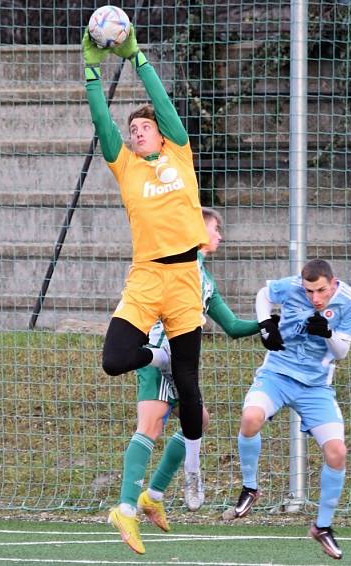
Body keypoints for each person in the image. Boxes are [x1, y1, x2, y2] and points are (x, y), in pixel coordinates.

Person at [81, 21, 211, 552]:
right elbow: (100, 120)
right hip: (146, 277)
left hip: (185, 279)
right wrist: (91, 69)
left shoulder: (179, 153)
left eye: (143, 128)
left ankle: (165, 489)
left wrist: (136, 58)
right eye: (132, 129)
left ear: (160, 133)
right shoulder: (125, 167)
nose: (136, 132)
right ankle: (154, 359)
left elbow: (162, 102)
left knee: (193, 397)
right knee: (114, 359)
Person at [109, 207, 260, 554]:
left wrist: (265, 324)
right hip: (157, 355)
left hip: (181, 364)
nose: (220, 234)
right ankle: (126, 508)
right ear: (196, 230)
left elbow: (233, 327)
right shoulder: (176, 263)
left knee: (199, 421)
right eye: (215, 228)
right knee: (149, 426)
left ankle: (153, 496)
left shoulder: (206, 281)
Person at [225, 259, 351, 560]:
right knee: (250, 418)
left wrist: (327, 333)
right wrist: (265, 325)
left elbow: (343, 351)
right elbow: (264, 295)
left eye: (322, 291)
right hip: (277, 375)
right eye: (310, 290)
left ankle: (322, 526)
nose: (316, 297)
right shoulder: (289, 287)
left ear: (333, 282)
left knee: (337, 452)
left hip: (316, 387)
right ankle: (250, 487)